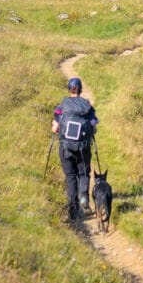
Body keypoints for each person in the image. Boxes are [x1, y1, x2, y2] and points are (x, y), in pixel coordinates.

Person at [52, 76, 98, 221]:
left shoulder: (62, 106)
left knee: (71, 176)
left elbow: (55, 128)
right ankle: (84, 197)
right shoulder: (87, 106)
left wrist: (56, 127)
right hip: (83, 148)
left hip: (66, 147)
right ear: (80, 89)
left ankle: (73, 208)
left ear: (69, 89)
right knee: (84, 173)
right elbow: (94, 126)